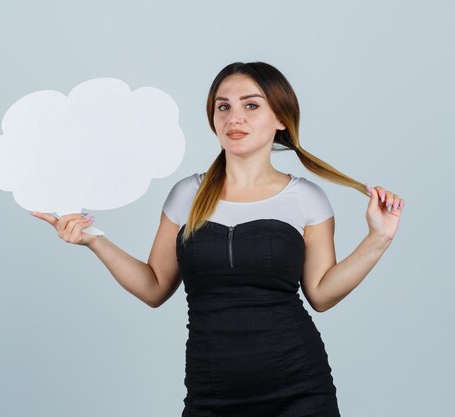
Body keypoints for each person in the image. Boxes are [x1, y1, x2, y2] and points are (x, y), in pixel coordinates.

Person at [30, 61, 404, 417]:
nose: (233, 117)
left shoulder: (307, 198)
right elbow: (154, 287)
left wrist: (379, 238)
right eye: (222, 106)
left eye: (251, 105)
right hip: (212, 393)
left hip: (299, 390)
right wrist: (93, 239)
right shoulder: (186, 195)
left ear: (279, 119)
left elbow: (321, 294)